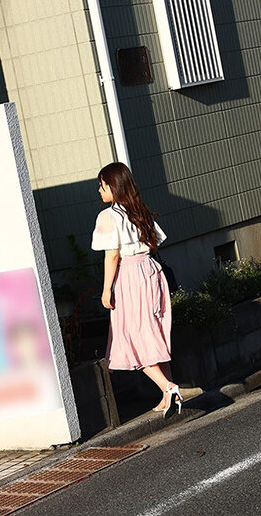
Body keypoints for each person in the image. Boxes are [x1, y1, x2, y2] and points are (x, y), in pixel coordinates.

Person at [90, 162, 183, 416]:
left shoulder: (109, 216)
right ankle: (167, 395)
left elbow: (112, 255)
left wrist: (106, 289)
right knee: (154, 334)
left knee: (133, 337)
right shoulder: (139, 211)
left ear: (114, 186)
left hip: (130, 276)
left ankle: (169, 387)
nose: (99, 190)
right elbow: (154, 243)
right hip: (151, 272)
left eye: (102, 185)